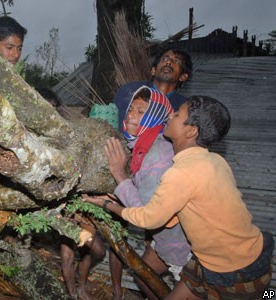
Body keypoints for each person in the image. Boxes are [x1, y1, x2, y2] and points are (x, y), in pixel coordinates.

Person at [84, 95, 274, 299]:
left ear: (191, 131)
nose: (169, 115)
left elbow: (148, 218)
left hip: (232, 270)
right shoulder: (215, 160)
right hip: (246, 253)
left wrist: (108, 203)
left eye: (176, 114)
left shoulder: (180, 172)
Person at [108, 85, 191, 300]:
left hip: (183, 243)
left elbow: (146, 214)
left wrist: (119, 175)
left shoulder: (155, 157)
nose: (132, 116)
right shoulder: (148, 144)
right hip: (167, 237)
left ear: (156, 116)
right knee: (143, 275)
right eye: (131, 110)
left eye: (141, 111)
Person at [114, 46, 192, 131]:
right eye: (165, 59)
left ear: (183, 77)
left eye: (177, 61)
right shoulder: (130, 90)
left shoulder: (184, 107)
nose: (169, 62)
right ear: (153, 70)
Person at [60, 219, 105, 300]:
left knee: (98, 251)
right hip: (66, 213)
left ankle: (81, 285)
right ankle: (73, 293)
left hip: (86, 213)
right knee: (67, 256)